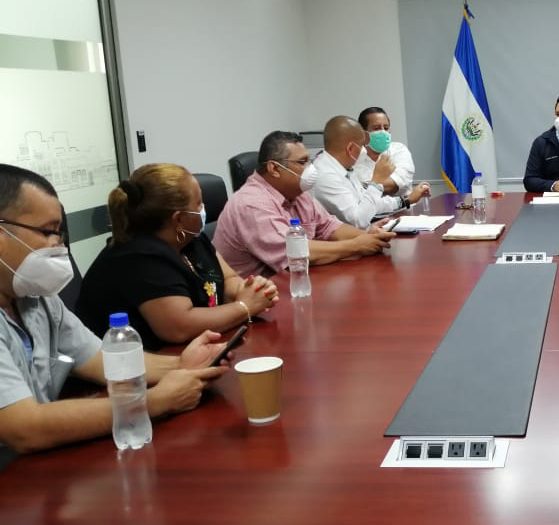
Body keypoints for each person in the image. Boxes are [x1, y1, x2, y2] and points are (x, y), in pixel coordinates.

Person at [0, 164, 230, 461]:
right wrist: (152, 402)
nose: (58, 246)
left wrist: (183, 365)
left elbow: (103, 360)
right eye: (48, 232)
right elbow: (23, 427)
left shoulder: (37, 299)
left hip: (40, 463)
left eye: (59, 233)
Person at [76, 163, 279, 350]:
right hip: (134, 367)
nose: (204, 208)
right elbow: (179, 327)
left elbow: (227, 279)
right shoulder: (139, 257)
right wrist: (244, 307)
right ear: (179, 219)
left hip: (191, 352)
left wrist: (252, 290)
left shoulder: (191, 239)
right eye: (198, 204)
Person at [214, 131, 396, 277]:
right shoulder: (252, 204)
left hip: (295, 284)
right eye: (302, 162)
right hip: (255, 301)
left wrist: (369, 237)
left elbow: (329, 227)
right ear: (274, 168)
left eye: (309, 160)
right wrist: (357, 245)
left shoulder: (297, 193)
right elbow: (296, 252)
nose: (311, 168)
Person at [305, 116, 430, 229]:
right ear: (350, 148)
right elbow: (358, 220)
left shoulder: (343, 167)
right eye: (361, 146)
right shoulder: (325, 175)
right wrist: (376, 182)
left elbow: (367, 202)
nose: (363, 151)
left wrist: (406, 200)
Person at [351, 107, 416, 197]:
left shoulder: (399, 150)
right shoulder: (353, 157)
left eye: (386, 128)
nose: (383, 132)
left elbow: (394, 186)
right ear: (363, 133)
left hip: (403, 205)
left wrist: (366, 187)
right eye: (376, 128)